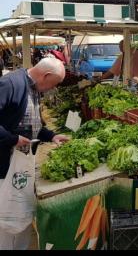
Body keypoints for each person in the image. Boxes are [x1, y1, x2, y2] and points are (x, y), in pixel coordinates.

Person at [0, 58, 69, 250]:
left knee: (20, 212)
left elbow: (31, 123)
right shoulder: (11, 83)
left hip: (20, 164)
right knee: (8, 216)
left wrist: (51, 136)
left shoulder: (34, 88)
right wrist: (12, 139)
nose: (51, 89)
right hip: (4, 165)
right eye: (53, 84)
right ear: (45, 76)